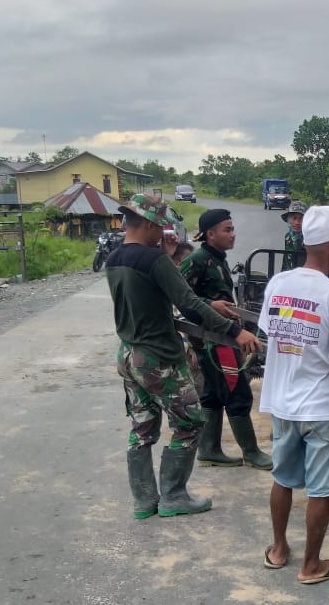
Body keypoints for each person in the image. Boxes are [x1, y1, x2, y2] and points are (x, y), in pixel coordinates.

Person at [105, 193, 260, 520]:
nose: (164, 232)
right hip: (159, 357)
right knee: (190, 423)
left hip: (129, 354)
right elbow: (190, 303)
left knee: (142, 428)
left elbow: (149, 292)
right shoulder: (154, 260)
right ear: (148, 223)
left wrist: (165, 253)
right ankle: (174, 496)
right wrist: (235, 332)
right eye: (160, 227)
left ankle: (144, 501)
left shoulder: (115, 257)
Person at [258, 205, 329, 584]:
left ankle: (279, 550)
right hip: (322, 410)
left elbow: (273, 337)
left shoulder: (277, 284)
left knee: (282, 480)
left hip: (282, 405)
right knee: (320, 491)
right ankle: (311, 566)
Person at [180, 208, 270, 469]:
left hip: (219, 339)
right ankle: (251, 453)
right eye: (227, 230)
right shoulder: (197, 260)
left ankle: (209, 450)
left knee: (212, 394)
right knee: (237, 393)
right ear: (210, 234)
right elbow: (180, 298)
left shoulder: (217, 259)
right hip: (214, 341)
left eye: (232, 229)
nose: (233, 234)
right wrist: (211, 305)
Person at [281, 200, 309, 272]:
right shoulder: (288, 236)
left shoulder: (309, 238)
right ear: (289, 220)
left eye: (301, 219)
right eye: (294, 218)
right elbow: (286, 261)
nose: (297, 222)